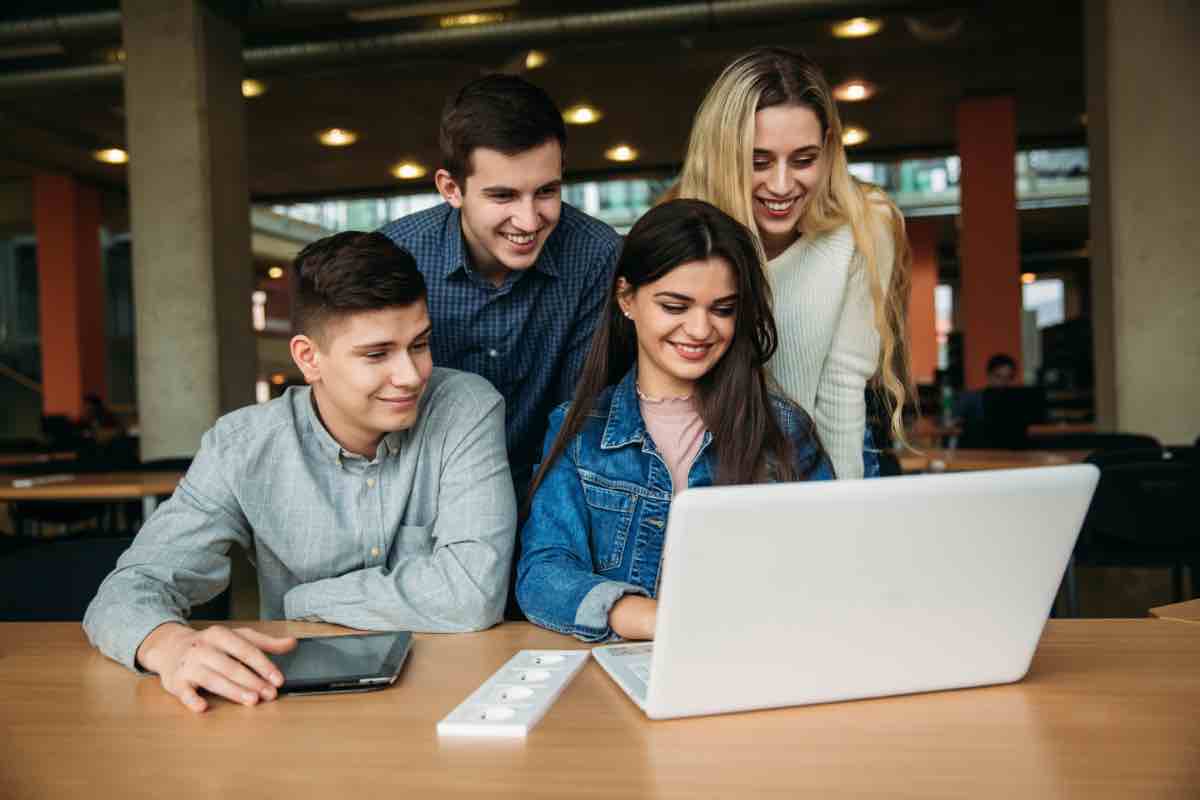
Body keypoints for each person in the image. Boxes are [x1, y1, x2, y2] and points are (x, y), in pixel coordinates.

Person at [84, 232, 516, 713]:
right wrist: (168, 645)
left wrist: (304, 599)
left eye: (419, 344)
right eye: (377, 355)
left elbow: (473, 593)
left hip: (449, 692)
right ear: (309, 358)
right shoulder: (241, 446)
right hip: (293, 706)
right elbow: (127, 590)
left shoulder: (465, 407)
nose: (412, 374)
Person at [516, 199, 833, 643]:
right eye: (675, 306)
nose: (701, 330)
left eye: (722, 309)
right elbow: (542, 574)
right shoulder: (578, 429)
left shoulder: (784, 429)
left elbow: (831, 568)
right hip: (628, 670)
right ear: (627, 298)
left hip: (760, 659)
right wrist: (652, 618)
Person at [668, 46, 914, 479]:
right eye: (758, 162)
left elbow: (842, 390)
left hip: (828, 463)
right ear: (723, 155)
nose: (782, 185)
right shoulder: (686, 229)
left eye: (804, 160)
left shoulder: (863, 223)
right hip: (714, 467)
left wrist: (839, 517)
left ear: (829, 149)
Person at [378, 74, 621, 498]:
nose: (529, 221)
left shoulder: (598, 256)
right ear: (451, 189)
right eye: (503, 196)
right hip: (418, 499)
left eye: (546, 191)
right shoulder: (394, 256)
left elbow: (582, 418)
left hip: (551, 496)